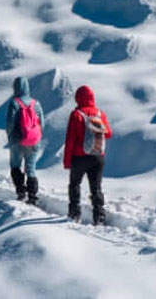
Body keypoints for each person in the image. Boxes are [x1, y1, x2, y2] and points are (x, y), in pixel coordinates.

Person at [63, 85, 112, 225]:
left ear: (78, 98)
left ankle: (74, 214)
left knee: (74, 185)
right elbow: (108, 133)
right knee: (96, 187)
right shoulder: (100, 114)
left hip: (80, 157)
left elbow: (70, 140)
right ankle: (99, 217)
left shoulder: (76, 114)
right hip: (98, 156)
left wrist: (67, 162)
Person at [4, 77, 44, 204]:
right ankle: (33, 196)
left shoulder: (14, 103)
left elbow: (10, 123)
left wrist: (10, 136)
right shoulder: (36, 103)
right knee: (31, 168)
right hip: (34, 141)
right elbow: (41, 122)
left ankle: (21, 191)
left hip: (17, 141)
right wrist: (35, 135)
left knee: (15, 166)